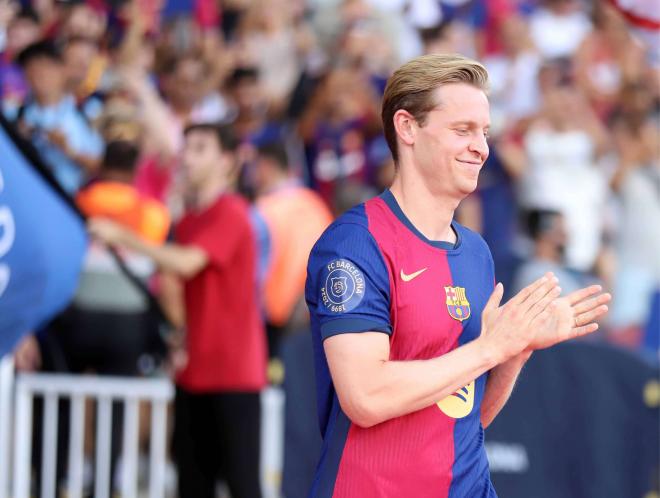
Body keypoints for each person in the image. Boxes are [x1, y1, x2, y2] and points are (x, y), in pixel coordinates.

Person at [304, 53, 611, 497]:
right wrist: (491, 347)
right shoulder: (355, 244)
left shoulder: (475, 253)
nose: (481, 147)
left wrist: (515, 351)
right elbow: (365, 397)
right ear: (407, 128)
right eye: (462, 130)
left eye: (484, 132)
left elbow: (463, 415)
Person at [89, 123, 267, 498]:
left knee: (242, 484)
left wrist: (123, 236)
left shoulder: (232, 212)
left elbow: (187, 264)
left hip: (234, 374)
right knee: (192, 484)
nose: (187, 155)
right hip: (194, 372)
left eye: (200, 148)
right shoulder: (188, 220)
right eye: (187, 147)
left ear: (227, 162)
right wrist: (181, 335)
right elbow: (181, 285)